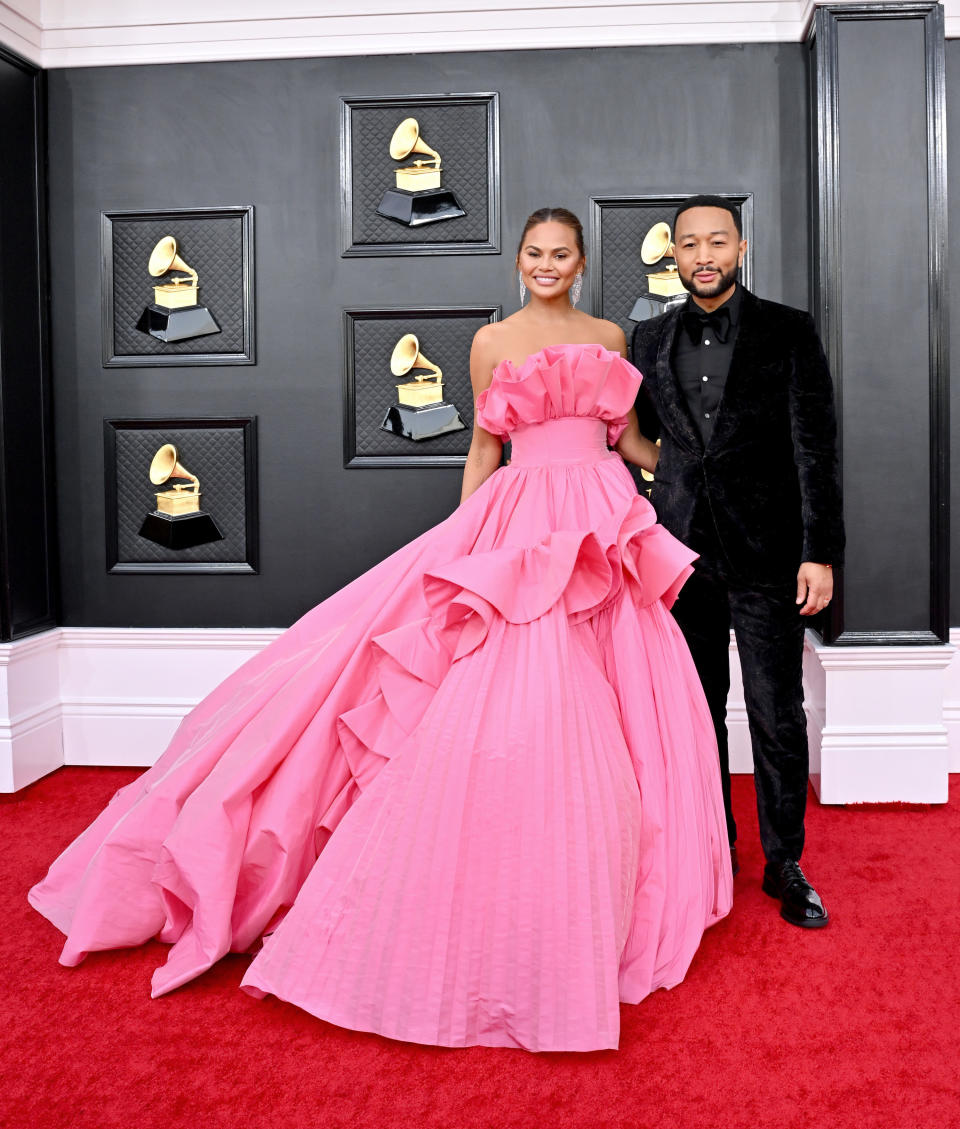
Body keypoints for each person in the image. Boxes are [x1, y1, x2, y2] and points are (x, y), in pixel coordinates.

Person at [29, 207, 732, 1053]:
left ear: (581, 263)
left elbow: (627, 440)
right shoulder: (490, 341)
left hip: (600, 521)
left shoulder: (612, 334)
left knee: (622, 703)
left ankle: (604, 878)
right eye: (534, 254)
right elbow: (483, 447)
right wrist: (464, 539)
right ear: (519, 261)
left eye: (560, 254)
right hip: (518, 528)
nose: (546, 264)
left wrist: (702, 468)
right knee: (508, 700)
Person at [631, 194, 844, 929]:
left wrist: (820, 552)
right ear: (675, 254)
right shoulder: (648, 337)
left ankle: (785, 860)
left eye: (716, 240)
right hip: (683, 555)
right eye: (689, 243)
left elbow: (816, 446)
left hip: (769, 555)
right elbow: (642, 439)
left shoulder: (789, 330)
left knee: (777, 713)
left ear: (741, 249)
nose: (702, 255)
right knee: (697, 713)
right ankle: (710, 844)